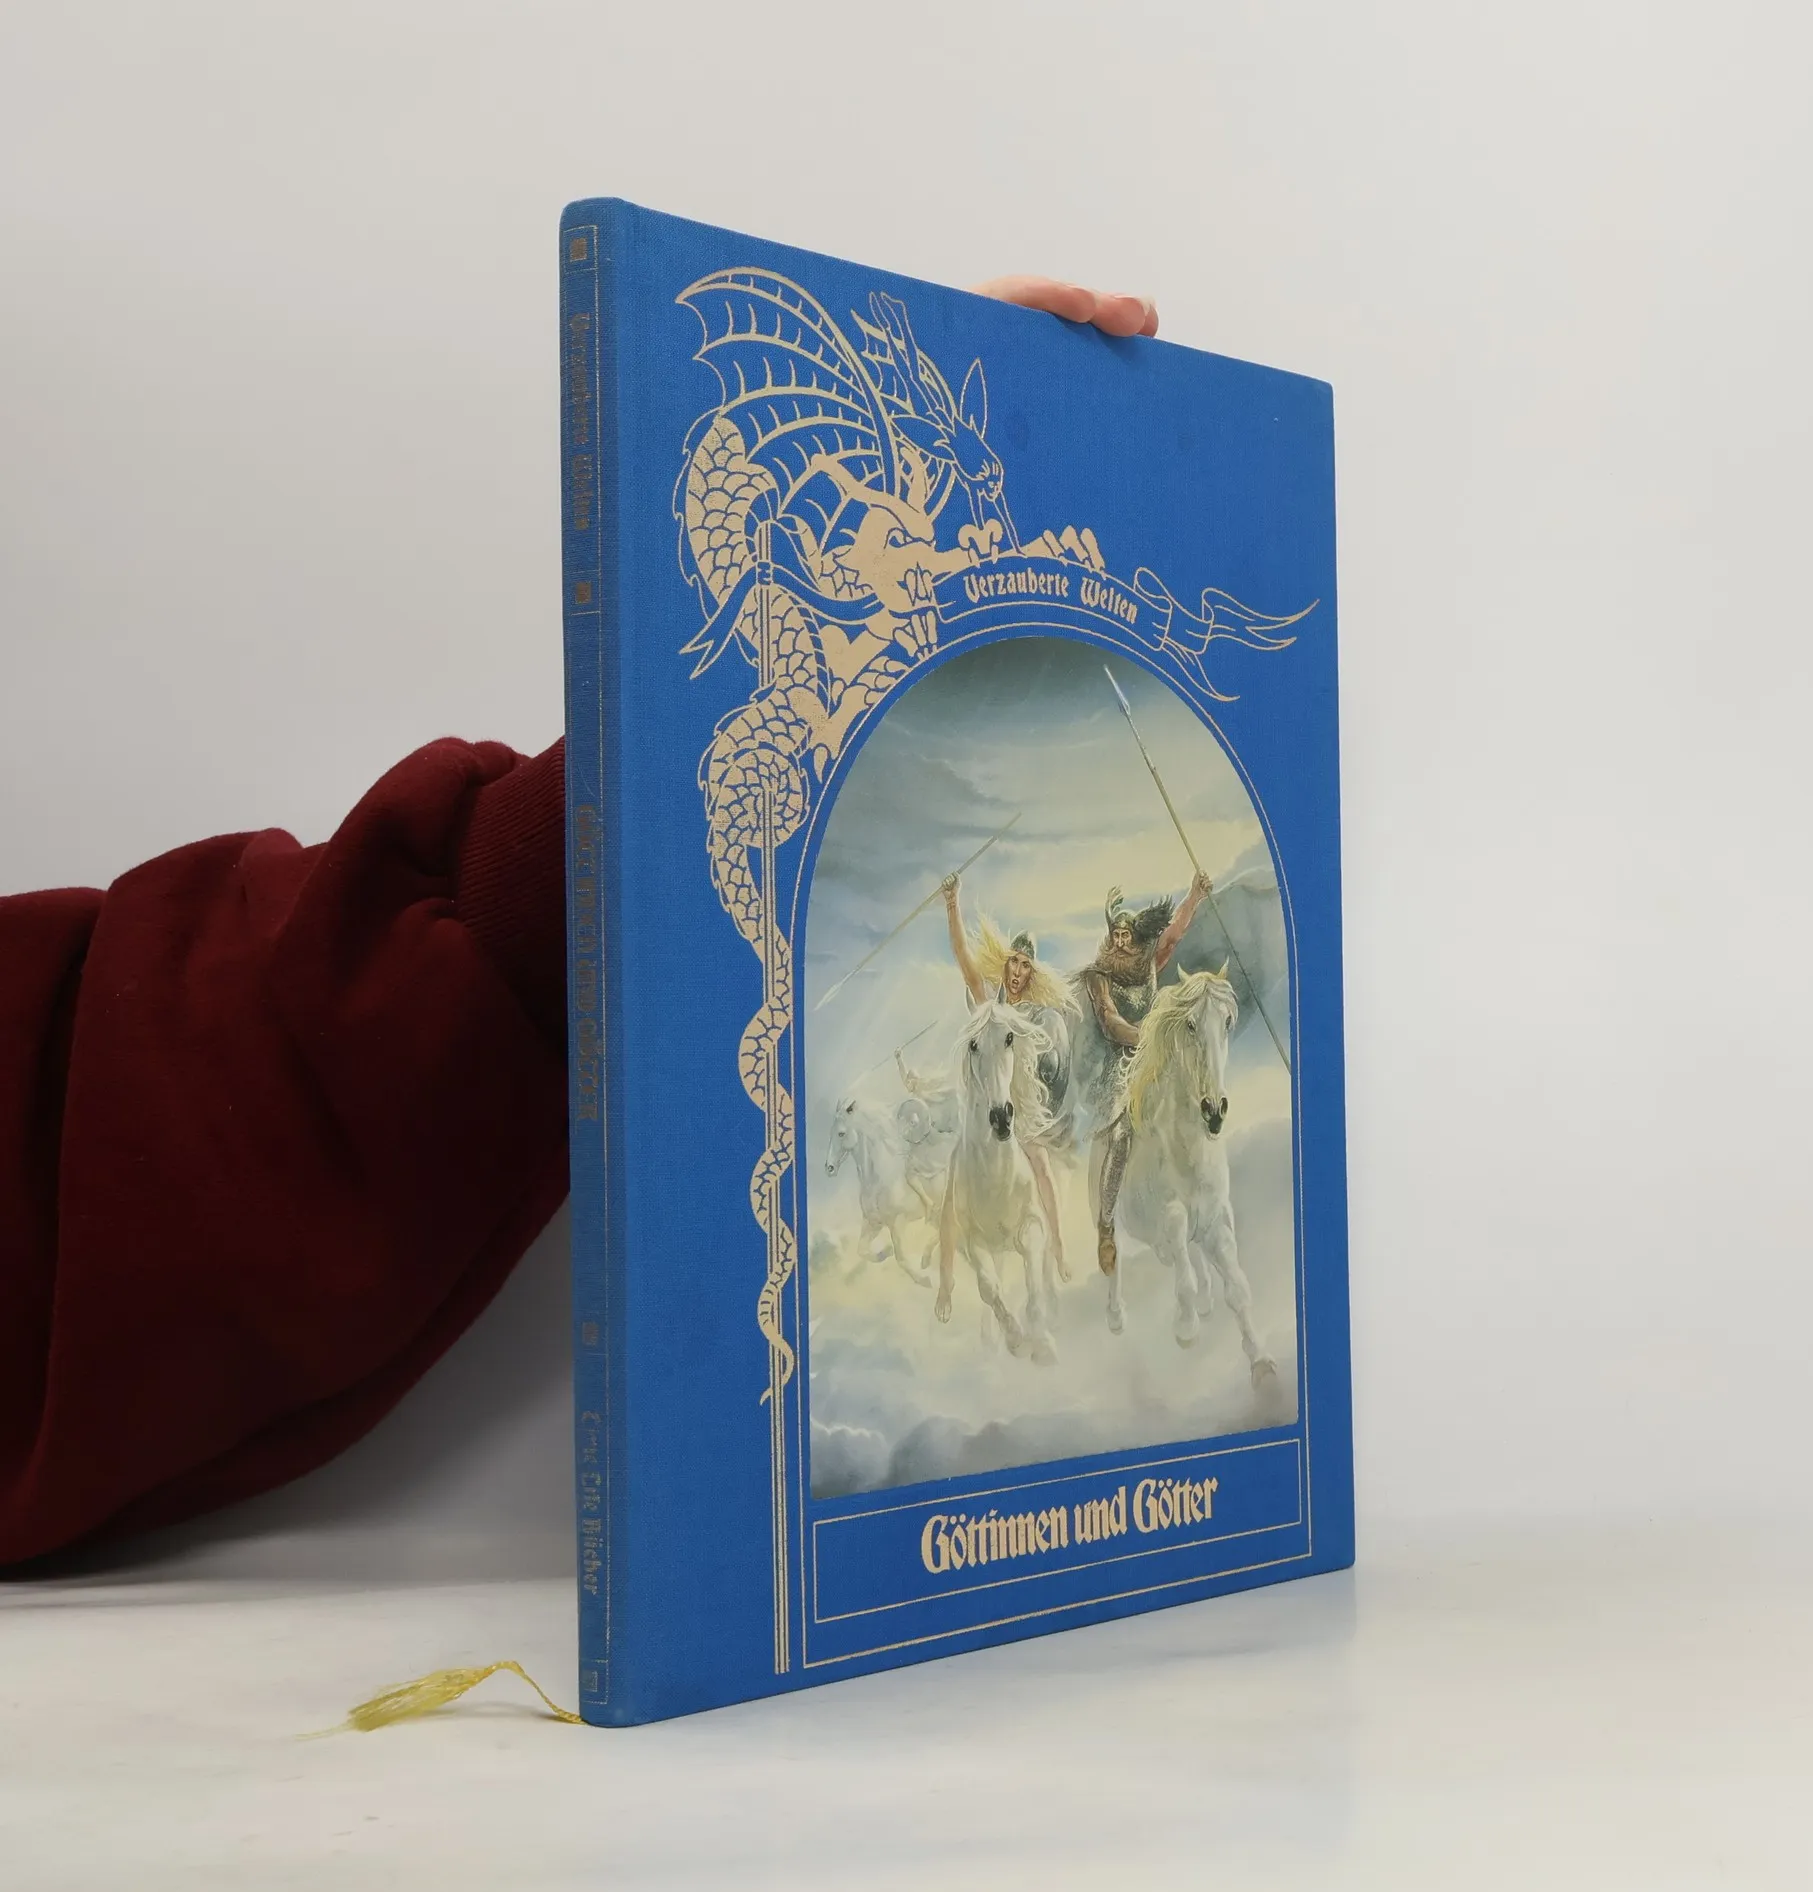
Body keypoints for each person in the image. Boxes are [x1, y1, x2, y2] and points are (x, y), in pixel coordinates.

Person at [0, 275, 1158, 1570]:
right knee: (974, 1168)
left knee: (1058, 1146)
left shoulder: (1060, 988)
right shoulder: (991, 982)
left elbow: (114, 1111)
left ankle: (1092, 1250)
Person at [935, 871, 1076, 1287]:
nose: (1017, 970)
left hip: (1018, 1105)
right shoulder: (988, 1002)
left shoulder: (1033, 1014)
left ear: (1031, 973)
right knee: (954, 1174)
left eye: (1025, 965)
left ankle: (1059, 1245)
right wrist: (952, 903)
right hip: (984, 1102)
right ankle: (947, 1275)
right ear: (1006, 963)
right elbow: (964, 960)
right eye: (1014, 961)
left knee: (1041, 1166)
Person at [1080, 871, 1213, 1278]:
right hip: (1119, 1068)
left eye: (1126, 935)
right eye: (1115, 935)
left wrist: (1194, 896)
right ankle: (1106, 1227)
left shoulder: (1147, 965)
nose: (1121, 941)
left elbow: (1172, 936)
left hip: (1157, 1058)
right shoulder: (1099, 977)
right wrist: (1146, 1035)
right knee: (1121, 1134)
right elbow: (1109, 1021)